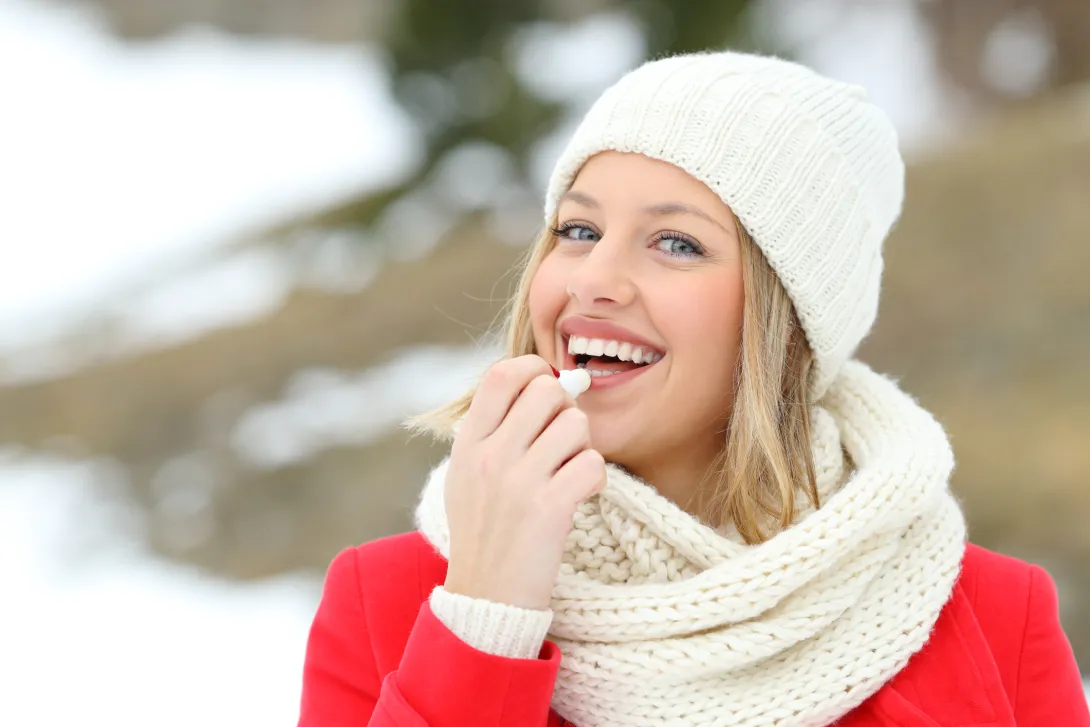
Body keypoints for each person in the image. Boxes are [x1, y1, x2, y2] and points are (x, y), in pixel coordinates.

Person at [297, 51, 1089, 727]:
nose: (595, 279)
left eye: (676, 243)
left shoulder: (992, 614)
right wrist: (486, 616)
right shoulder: (389, 602)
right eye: (577, 230)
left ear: (787, 322)